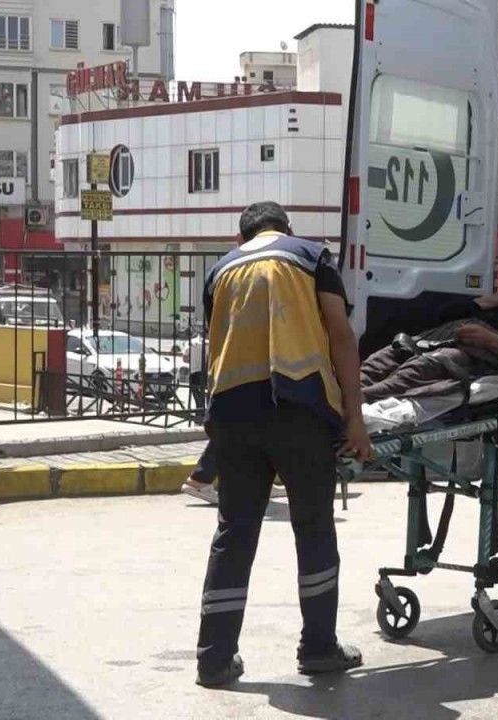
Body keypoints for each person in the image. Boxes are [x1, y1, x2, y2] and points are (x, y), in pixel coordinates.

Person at [194, 202, 373, 688]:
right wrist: (355, 420)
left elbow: (215, 343)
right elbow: (341, 338)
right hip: (298, 410)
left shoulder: (220, 271)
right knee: (313, 529)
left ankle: (213, 658)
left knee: (234, 534)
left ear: (242, 238)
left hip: (232, 415)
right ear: (286, 229)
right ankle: (318, 649)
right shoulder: (311, 257)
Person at [359, 253, 498, 401]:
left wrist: (489, 339)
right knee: (381, 359)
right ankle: (346, 395)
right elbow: (445, 315)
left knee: (423, 367)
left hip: (476, 352)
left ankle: (357, 403)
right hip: (438, 337)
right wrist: (496, 299)